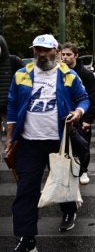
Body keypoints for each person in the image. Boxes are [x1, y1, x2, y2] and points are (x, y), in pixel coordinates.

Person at [5, 34, 89, 251]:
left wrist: (79, 112)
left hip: (58, 142)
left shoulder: (67, 75)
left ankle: (69, 210)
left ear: (56, 52)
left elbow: (84, 98)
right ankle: (27, 239)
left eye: (46, 50)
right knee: (25, 191)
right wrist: (9, 138)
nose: (41, 55)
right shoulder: (21, 74)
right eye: (37, 50)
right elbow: (13, 106)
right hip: (29, 143)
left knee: (63, 183)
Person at [61, 42, 95, 185]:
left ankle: (83, 170)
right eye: (63, 54)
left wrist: (87, 119)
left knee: (83, 146)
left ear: (76, 55)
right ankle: (69, 171)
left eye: (68, 54)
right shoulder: (59, 72)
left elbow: (93, 97)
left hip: (82, 118)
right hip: (65, 117)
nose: (65, 57)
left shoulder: (86, 74)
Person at [0, 35, 23, 153]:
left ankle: (16, 166)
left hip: (11, 108)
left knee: (13, 140)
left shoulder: (14, 61)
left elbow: (25, 83)